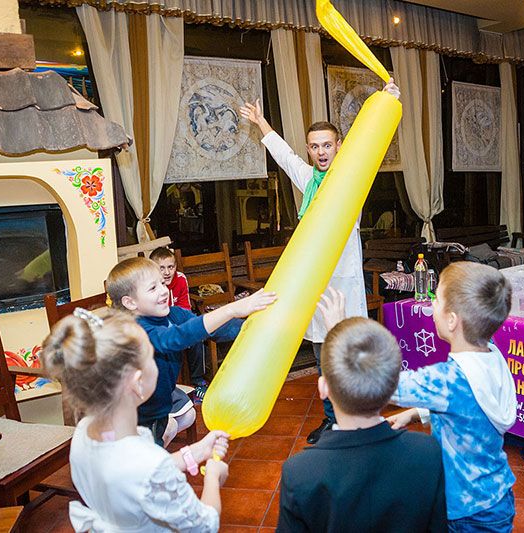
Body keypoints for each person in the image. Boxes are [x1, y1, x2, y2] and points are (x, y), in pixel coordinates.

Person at [239, 79, 401, 444]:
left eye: (327, 145)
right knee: (322, 355)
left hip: (344, 284)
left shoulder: (352, 176)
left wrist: (388, 99)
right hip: (314, 285)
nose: (320, 152)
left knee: (350, 353)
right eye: (314, 146)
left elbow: (371, 141)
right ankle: (331, 420)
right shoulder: (309, 180)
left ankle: (359, 417)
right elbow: (285, 157)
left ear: (340, 146)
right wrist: (261, 122)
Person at [41, 307, 230, 531]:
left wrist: (194, 453)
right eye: (152, 356)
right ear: (138, 382)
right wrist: (213, 477)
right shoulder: (148, 464)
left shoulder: (84, 431)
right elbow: (205, 525)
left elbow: (138, 476)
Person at [277, 290, 446, 532]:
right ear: (392, 388)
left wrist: (337, 335)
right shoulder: (427, 452)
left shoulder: (300, 472)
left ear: (323, 388)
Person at [387, 262, 517, 532]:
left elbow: (379, 386)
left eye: (437, 298)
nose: (432, 304)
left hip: (466, 512)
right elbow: (467, 404)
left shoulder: (447, 379)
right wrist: (415, 413)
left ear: (452, 320)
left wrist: (337, 329)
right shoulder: (491, 354)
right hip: (497, 497)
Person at [107, 257, 277, 447]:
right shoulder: (133, 331)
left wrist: (252, 328)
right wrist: (231, 310)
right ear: (130, 302)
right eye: (153, 288)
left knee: (170, 430)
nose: (163, 291)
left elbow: (214, 329)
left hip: (159, 408)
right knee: (145, 459)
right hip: (133, 420)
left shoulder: (173, 314)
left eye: (162, 283)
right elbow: (175, 338)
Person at [149, 247, 211, 402]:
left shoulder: (181, 279)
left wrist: (186, 329)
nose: (167, 272)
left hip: (177, 320)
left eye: (171, 267)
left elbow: (185, 309)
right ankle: (169, 387)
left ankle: (198, 382)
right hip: (157, 324)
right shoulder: (148, 283)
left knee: (196, 336)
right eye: (161, 268)